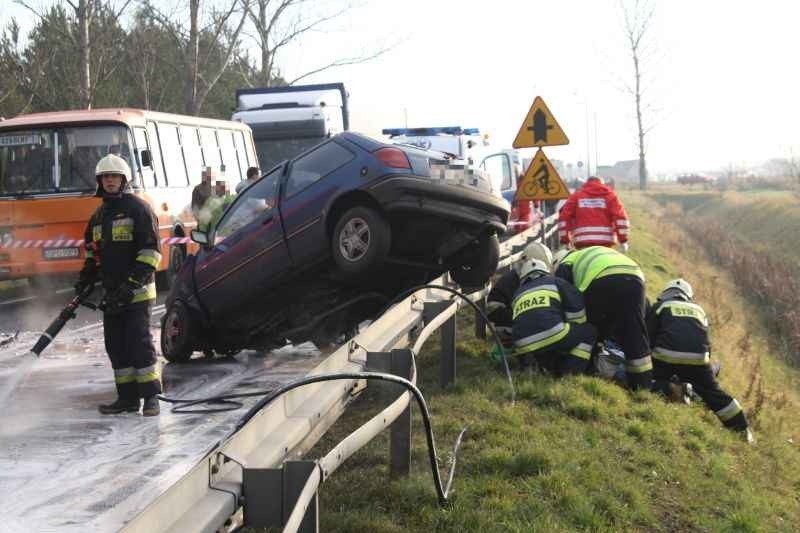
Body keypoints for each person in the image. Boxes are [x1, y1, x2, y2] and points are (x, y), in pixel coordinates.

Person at [74, 154, 162, 416]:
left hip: (137, 293)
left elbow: (151, 254)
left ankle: (151, 400)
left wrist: (130, 285)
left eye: (115, 176)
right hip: (112, 296)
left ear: (124, 179)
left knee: (139, 345)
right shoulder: (98, 217)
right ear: (100, 181)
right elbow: (93, 254)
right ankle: (127, 399)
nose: (110, 181)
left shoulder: (139, 210)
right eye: (106, 177)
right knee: (116, 346)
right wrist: (85, 280)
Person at [647, 279, 753, 441]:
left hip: (664, 357)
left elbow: (647, 336)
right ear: (688, 296)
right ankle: (743, 431)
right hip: (698, 360)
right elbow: (704, 342)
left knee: (644, 378)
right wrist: (705, 368)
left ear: (664, 295)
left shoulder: (661, 307)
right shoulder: (699, 311)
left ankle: (674, 388)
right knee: (714, 393)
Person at [553, 245, 651, 389]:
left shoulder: (566, 262)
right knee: (635, 334)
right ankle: (642, 387)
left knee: (588, 329)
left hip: (602, 279)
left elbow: (567, 301)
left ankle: (578, 373)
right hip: (635, 277)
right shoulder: (588, 254)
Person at [510, 254, 596, 376]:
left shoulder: (517, 294)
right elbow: (576, 308)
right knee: (589, 332)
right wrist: (575, 326)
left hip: (521, 344)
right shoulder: (556, 282)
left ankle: (539, 367)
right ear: (546, 272)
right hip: (553, 333)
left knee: (549, 340)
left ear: (523, 277)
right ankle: (570, 373)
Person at [486, 242, 554, 351]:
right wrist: (521, 316)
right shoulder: (509, 281)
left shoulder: (528, 279)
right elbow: (492, 311)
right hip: (509, 327)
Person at [558, 176, 630, 251]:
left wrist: (565, 241)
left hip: (582, 242)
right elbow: (620, 218)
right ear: (603, 184)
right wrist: (623, 240)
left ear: (586, 183)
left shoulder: (576, 196)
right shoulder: (610, 196)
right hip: (605, 243)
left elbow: (564, 217)